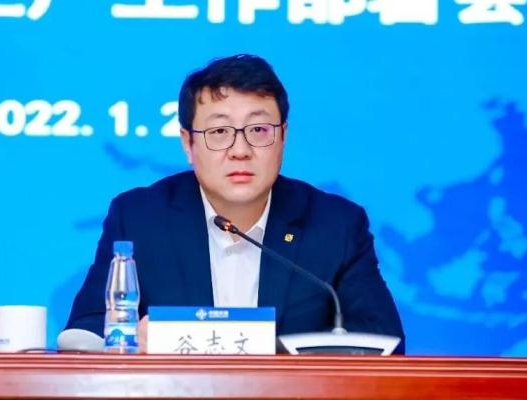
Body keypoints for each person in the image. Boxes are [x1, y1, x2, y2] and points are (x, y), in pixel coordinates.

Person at [65, 54, 405, 354]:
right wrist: (131, 339)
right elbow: (85, 331)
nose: (240, 150)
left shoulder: (335, 225)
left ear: (283, 137)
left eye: (258, 130)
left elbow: (383, 342)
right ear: (188, 143)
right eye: (219, 132)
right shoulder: (140, 218)